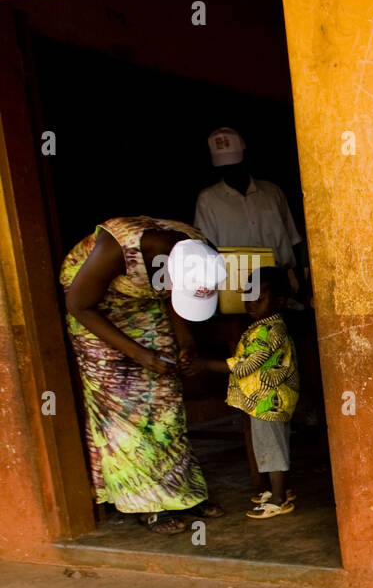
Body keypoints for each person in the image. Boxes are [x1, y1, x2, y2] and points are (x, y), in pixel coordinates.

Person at [60, 217, 227, 533]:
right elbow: (78, 305)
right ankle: (146, 501)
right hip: (94, 307)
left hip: (145, 302)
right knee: (123, 402)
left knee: (165, 397)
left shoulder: (200, 251)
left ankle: (181, 490)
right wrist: (138, 354)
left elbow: (174, 298)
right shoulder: (117, 248)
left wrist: (186, 343)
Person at [183, 267, 298, 518]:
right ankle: (279, 490)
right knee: (268, 446)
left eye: (259, 298)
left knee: (272, 448)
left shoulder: (269, 331)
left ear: (279, 301)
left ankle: (279, 500)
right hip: (263, 400)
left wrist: (205, 365)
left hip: (269, 400)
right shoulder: (262, 326)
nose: (251, 302)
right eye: (248, 295)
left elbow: (246, 364)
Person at [194, 127, 305, 285]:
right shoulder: (208, 200)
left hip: (281, 284)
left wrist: (302, 284)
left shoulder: (272, 193)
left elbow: (293, 240)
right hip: (235, 285)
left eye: (235, 164)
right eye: (225, 166)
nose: (231, 171)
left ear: (245, 156)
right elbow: (206, 250)